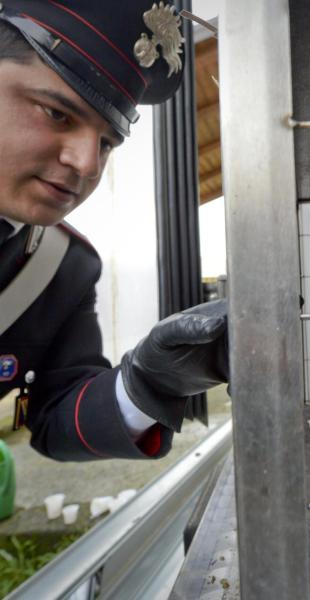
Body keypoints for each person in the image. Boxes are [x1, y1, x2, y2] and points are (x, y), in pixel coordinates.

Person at [0, 1, 228, 461]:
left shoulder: (59, 267)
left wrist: (146, 382)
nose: (86, 163)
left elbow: (53, 413)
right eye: (56, 114)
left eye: (107, 142)